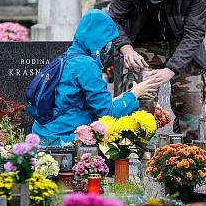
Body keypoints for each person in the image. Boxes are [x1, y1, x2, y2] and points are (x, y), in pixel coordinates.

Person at [108, 0, 206, 142]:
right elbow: (114, 20)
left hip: (183, 44)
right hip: (140, 44)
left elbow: (195, 32)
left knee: (191, 110)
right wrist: (126, 48)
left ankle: (188, 160)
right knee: (138, 106)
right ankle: (135, 160)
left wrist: (170, 70)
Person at [33, 9, 160, 146]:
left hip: (43, 135)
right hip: (63, 141)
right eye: (108, 41)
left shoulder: (69, 57)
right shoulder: (86, 66)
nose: (110, 46)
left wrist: (129, 94)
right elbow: (108, 112)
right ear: (99, 40)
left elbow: (87, 103)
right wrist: (136, 93)